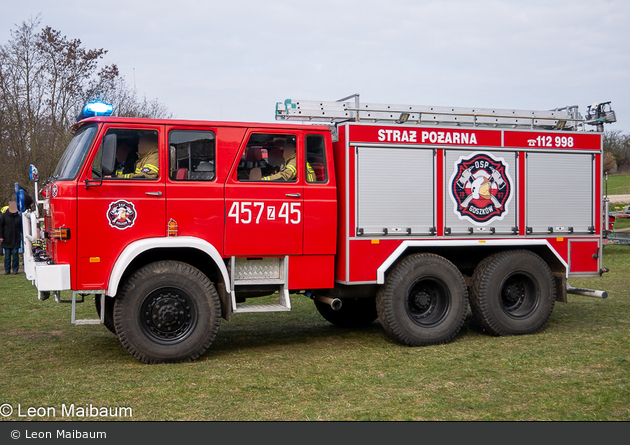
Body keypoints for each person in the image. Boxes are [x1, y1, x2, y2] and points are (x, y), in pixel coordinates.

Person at [0, 201, 23, 274]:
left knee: (15, 254)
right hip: (6, 238)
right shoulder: (3, 216)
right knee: (7, 256)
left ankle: (15, 270)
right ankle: (7, 270)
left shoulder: (18, 217)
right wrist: (1, 236)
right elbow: (1, 227)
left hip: (16, 238)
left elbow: (21, 227)